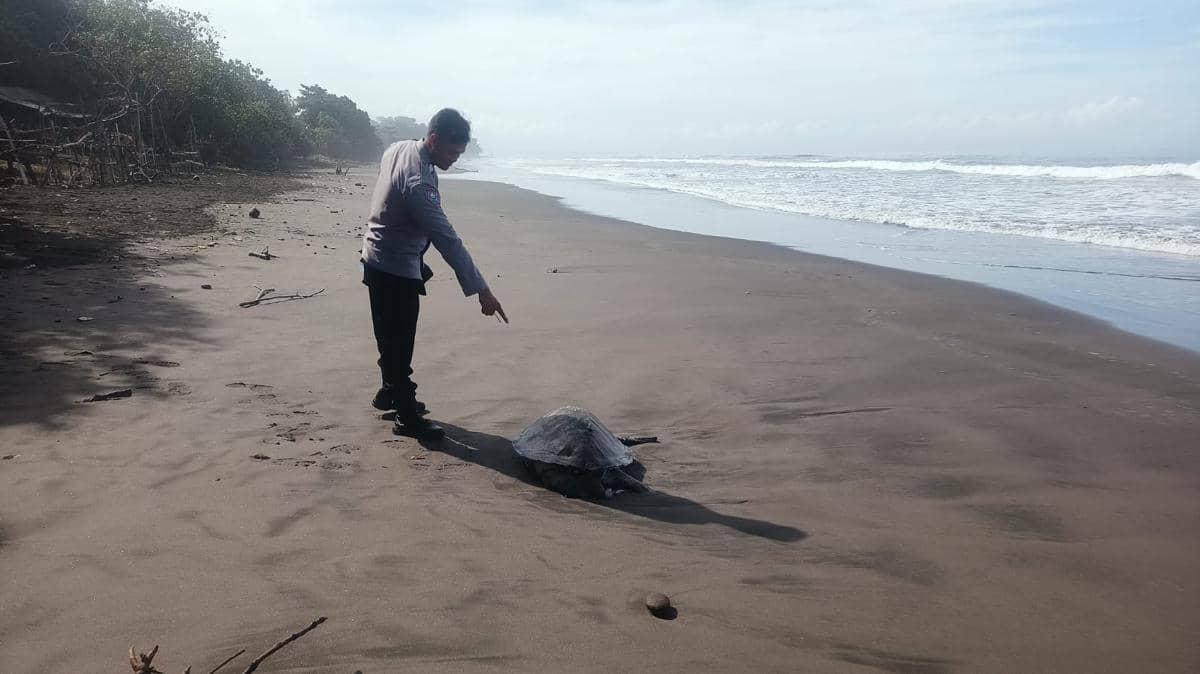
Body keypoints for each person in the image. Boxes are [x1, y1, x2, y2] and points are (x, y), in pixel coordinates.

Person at [360, 108, 507, 440]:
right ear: (435, 140)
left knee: (388, 333)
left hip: (378, 254)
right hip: (393, 266)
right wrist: (482, 290)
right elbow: (448, 240)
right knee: (400, 340)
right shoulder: (419, 182)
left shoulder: (399, 147)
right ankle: (406, 415)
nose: (455, 159)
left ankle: (389, 391)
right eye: (453, 152)